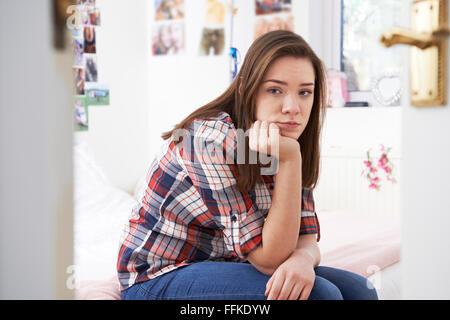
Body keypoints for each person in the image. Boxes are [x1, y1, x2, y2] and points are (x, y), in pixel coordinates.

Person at [117, 30, 378, 300]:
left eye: (304, 92)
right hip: (156, 278)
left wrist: (302, 258)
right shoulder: (208, 140)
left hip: (227, 263)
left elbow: (306, 236)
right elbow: (269, 260)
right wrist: (289, 161)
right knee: (319, 296)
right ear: (246, 90)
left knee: (360, 291)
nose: (293, 107)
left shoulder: (289, 141)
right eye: (275, 89)